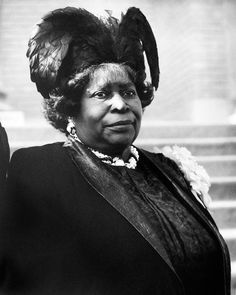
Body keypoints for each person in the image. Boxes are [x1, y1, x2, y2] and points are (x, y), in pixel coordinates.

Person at [0, 6, 231, 295]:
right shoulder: (41, 171)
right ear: (72, 109)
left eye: (129, 92)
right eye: (102, 94)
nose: (121, 104)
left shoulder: (170, 169)